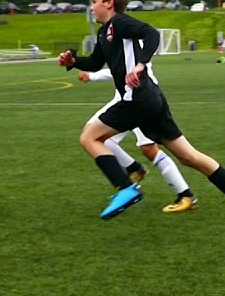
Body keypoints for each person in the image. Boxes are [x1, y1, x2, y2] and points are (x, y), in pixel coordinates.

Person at [59, 0, 225, 232]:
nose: (91, 6)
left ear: (108, 3)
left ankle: (126, 187)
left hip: (138, 99)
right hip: (151, 100)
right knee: (188, 156)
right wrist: (73, 62)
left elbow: (151, 34)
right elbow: (96, 63)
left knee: (89, 137)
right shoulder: (105, 32)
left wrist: (140, 64)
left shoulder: (120, 23)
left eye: (94, 1)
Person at [77, 65, 198, 213]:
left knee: (149, 149)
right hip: (124, 98)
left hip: (142, 97)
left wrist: (92, 75)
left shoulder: (134, 42)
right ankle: (134, 169)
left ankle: (185, 195)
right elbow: (117, 67)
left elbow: (129, 66)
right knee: (95, 136)